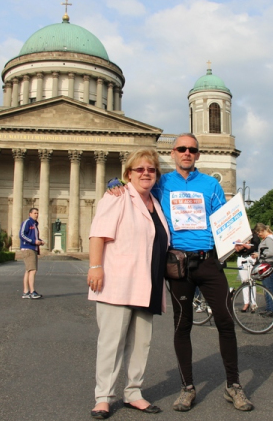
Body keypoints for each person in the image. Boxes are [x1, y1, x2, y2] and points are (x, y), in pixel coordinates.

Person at [108, 133, 253, 412]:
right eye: (182, 149)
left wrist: (239, 238)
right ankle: (188, 387)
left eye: (192, 150)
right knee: (182, 324)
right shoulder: (162, 184)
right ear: (173, 153)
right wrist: (115, 183)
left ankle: (233, 385)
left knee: (224, 320)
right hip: (178, 263)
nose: (187, 153)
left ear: (197, 155)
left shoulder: (211, 184)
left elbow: (224, 221)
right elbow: (136, 186)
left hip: (208, 261)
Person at [87, 148, 170, 419]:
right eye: (140, 169)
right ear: (128, 175)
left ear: (157, 175)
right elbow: (98, 234)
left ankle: (134, 392)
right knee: (112, 342)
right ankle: (104, 397)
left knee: (141, 344)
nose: (146, 173)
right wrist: (96, 267)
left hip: (148, 284)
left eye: (151, 169)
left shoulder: (156, 204)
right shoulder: (117, 197)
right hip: (118, 282)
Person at [253, 223, 273, 317]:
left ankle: (272, 309)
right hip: (268, 265)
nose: (258, 235)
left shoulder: (269, 239)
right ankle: (269, 308)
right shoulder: (270, 238)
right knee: (268, 287)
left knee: (269, 288)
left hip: (268, 265)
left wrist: (259, 255)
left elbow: (271, 252)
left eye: (258, 233)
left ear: (262, 230)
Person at [20, 208, 44, 299]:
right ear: (30, 214)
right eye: (35, 213)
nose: (36, 215)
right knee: (32, 270)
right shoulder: (27, 222)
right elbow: (22, 234)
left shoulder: (34, 225)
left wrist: (40, 241)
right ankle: (32, 292)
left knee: (28, 270)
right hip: (28, 249)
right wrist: (34, 241)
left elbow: (34, 237)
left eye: (37, 213)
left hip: (32, 248)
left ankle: (26, 292)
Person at [235, 233, 259, 312]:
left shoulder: (253, 234)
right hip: (241, 258)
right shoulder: (238, 233)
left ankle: (253, 303)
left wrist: (243, 245)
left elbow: (254, 246)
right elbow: (236, 249)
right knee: (244, 281)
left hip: (250, 257)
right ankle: (246, 303)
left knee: (252, 281)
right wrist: (244, 245)